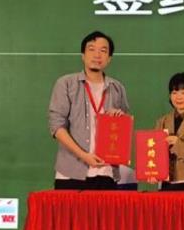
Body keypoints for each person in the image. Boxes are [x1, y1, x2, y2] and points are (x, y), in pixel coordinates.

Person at [48, 31, 130, 190]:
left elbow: (123, 130)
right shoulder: (66, 84)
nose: (97, 55)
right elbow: (56, 126)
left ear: (109, 58)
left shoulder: (117, 88)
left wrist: (119, 118)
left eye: (103, 51)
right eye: (91, 49)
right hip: (71, 172)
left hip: (106, 172)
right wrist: (84, 156)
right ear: (83, 55)